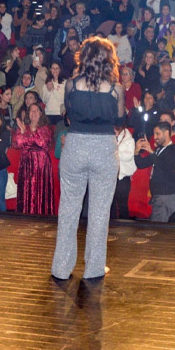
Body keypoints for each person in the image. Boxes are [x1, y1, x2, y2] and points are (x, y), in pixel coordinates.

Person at [52, 37, 125, 282]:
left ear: (83, 58)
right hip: (103, 147)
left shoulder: (71, 84)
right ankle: (93, 268)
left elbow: (69, 114)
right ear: (109, 60)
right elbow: (120, 119)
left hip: (75, 146)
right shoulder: (116, 89)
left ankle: (61, 268)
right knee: (99, 212)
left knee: (69, 210)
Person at [134, 122, 175, 223]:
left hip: (165, 196)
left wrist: (152, 152)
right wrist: (136, 152)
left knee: (155, 231)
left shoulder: (174, 150)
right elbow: (142, 164)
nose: (155, 137)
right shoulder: (159, 150)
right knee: (163, 231)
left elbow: (166, 169)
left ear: (166, 133)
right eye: (154, 134)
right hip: (159, 196)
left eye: (157, 134)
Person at [12, 102, 54, 215]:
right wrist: (22, 131)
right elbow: (17, 143)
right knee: (26, 189)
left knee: (39, 190)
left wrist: (26, 134)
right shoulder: (24, 127)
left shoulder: (45, 128)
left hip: (41, 163)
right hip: (26, 163)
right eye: (31, 110)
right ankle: (25, 215)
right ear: (28, 114)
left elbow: (42, 142)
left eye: (36, 110)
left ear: (41, 113)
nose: (33, 113)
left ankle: (41, 215)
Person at [112, 125, 136, 220]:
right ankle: (112, 226)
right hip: (111, 175)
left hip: (123, 176)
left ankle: (124, 227)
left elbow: (128, 156)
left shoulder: (129, 139)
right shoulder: (110, 136)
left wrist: (114, 152)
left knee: (122, 204)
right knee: (111, 203)